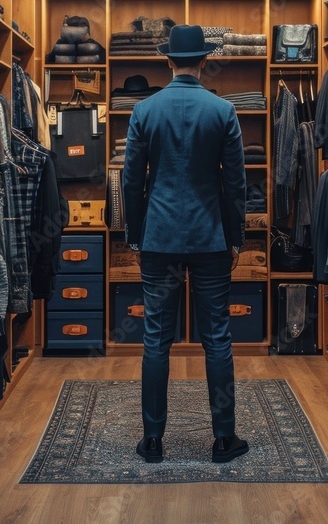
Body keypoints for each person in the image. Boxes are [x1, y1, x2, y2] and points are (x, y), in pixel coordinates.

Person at [123, 25, 248, 464]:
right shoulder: (223, 110)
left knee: (156, 338)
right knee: (217, 338)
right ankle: (222, 440)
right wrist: (236, 237)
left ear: (168, 61)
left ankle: (153, 442)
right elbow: (235, 183)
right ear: (203, 60)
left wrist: (134, 234)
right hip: (209, 237)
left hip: (158, 237)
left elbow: (131, 180)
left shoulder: (144, 110)